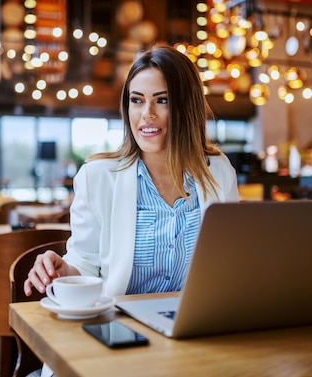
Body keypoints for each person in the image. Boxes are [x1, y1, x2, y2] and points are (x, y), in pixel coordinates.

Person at [24, 45, 239, 298]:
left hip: (198, 323)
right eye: (137, 100)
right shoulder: (97, 177)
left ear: (187, 107)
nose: (146, 114)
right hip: (122, 326)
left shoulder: (218, 170)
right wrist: (64, 272)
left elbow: (232, 260)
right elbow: (85, 264)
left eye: (162, 100)